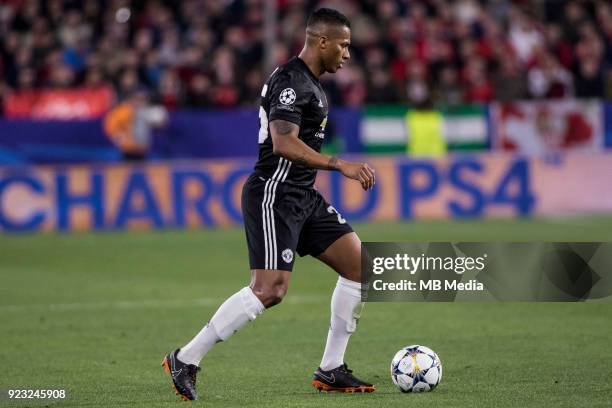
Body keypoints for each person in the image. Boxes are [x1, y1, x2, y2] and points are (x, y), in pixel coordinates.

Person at [161, 8, 376, 401]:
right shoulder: (292, 82)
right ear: (321, 41)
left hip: (302, 195)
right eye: (343, 45)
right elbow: (283, 143)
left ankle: (331, 369)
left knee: (359, 267)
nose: (347, 54)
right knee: (269, 289)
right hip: (274, 193)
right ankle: (186, 358)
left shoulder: (312, 83)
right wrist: (338, 164)